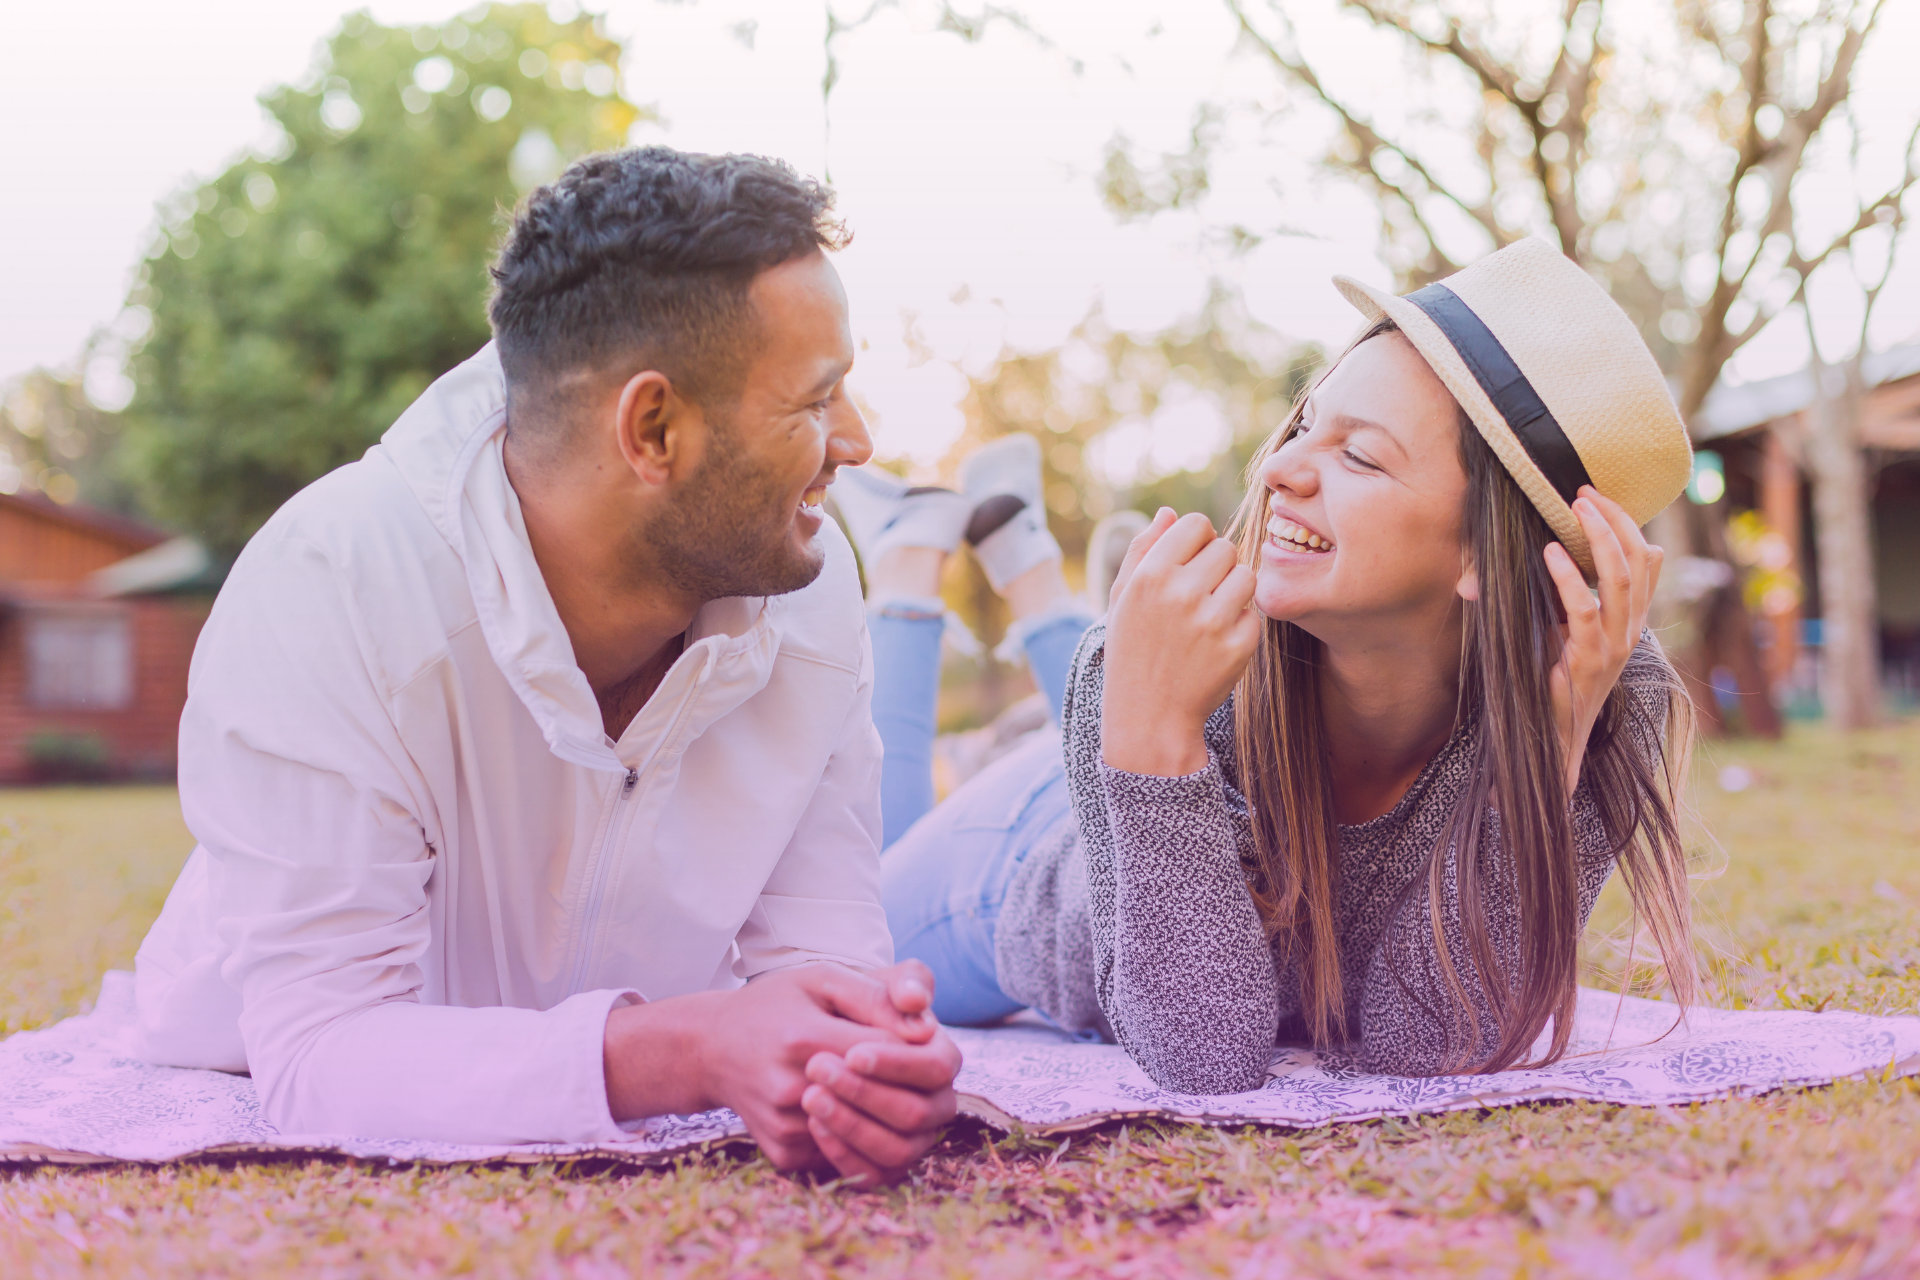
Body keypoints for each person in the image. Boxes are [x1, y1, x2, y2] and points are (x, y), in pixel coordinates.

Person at [130, 146, 960, 1184]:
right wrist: (693, 1047)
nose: (860, 441)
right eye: (815, 399)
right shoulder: (333, 580)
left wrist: (855, 1067)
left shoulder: (811, 589)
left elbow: (825, 957)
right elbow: (321, 1050)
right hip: (232, 1053)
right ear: (652, 427)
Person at [863, 237, 1699, 1093]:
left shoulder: (1593, 688)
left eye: (1359, 456)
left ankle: (1023, 562)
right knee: (852, 933)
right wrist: (1148, 727)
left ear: (1485, 555)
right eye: (1306, 425)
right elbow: (1206, 1055)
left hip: (1152, 729)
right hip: (1010, 871)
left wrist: (1550, 748)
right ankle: (905, 573)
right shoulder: (1162, 665)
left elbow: (1426, 1043)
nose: (1279, 469)